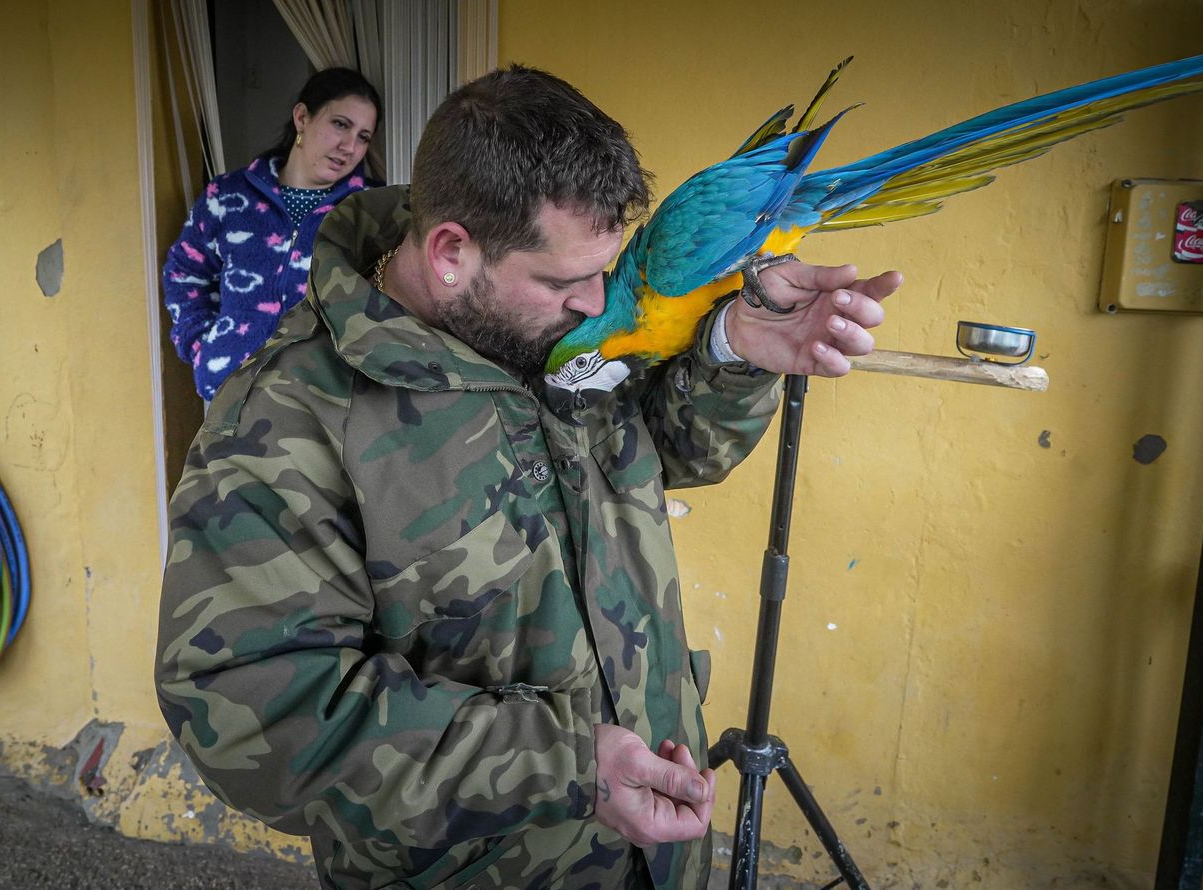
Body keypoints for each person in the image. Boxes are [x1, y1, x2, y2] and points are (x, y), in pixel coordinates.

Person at [155, 66, 900, 889]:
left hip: (658, 857)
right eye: (563, 281)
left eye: (602, 271)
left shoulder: (538, 328)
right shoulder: (290, 418)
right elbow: (252, 710)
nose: (595, 302)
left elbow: (658, 454)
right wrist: (563, 765)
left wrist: (730, 352)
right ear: (450, 253)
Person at [163, 67, 382, 402]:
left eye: (364, 137)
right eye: (340, 124)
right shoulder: (227, 197)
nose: (349, 146)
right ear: (302, 117)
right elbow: (185, 272)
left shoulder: (367, 210)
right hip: (230, 398)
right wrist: (203, 348)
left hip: (321, 404)